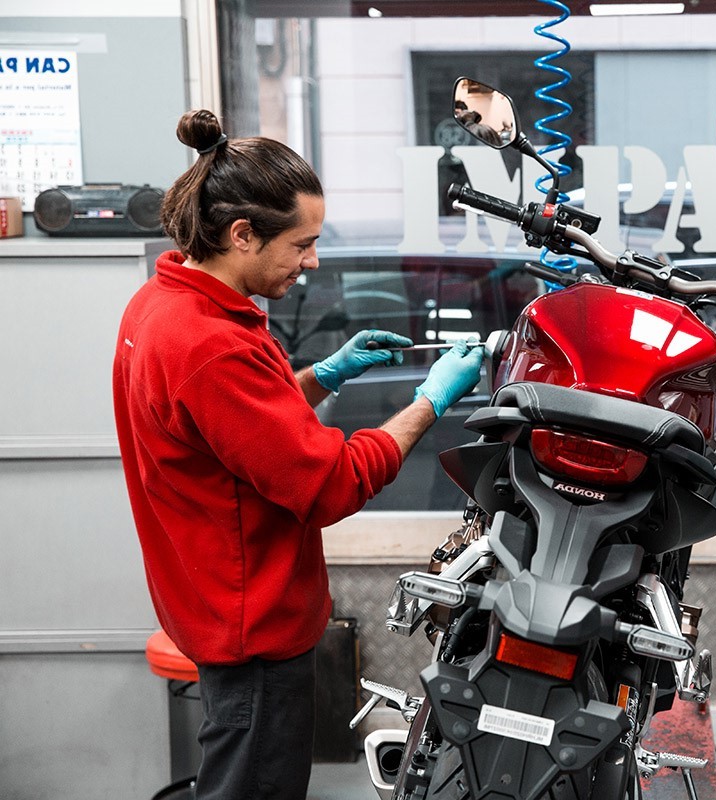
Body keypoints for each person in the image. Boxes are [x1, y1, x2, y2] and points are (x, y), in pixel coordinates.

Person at [112, 109, 484, 800]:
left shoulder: (161, 305)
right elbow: (329, 486)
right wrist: (431, 402)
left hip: (212, 599)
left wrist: (320, 376)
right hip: (251, 628)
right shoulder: (210, 346)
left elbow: (232, 435)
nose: (312, 262)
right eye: (302, 245)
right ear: (241, 233)